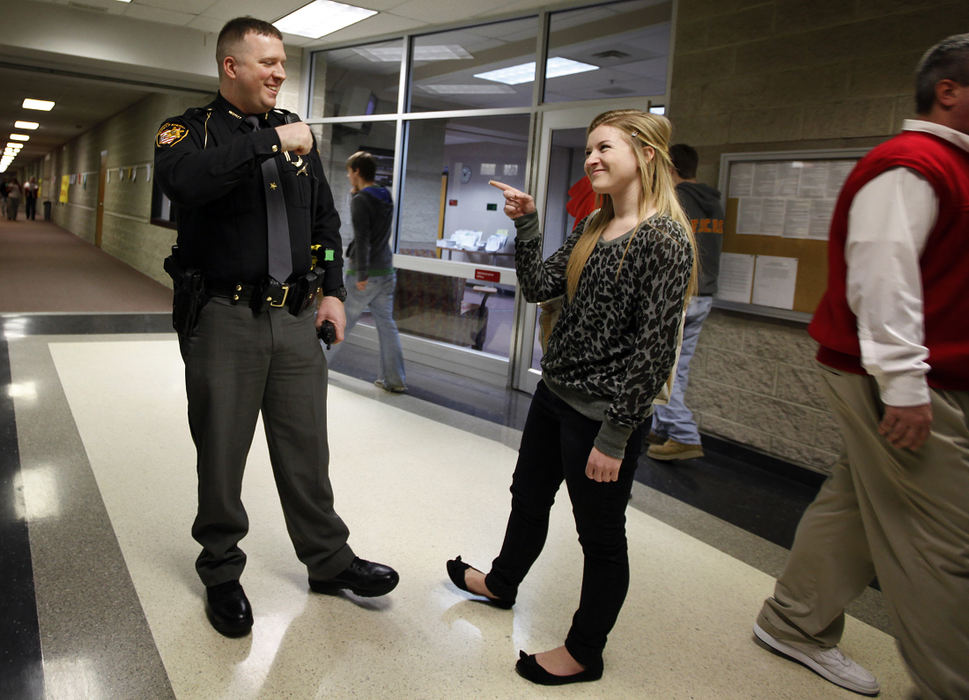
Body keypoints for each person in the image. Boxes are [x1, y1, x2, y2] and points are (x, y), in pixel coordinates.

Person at [154, 17, 398, 639]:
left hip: (293, 319)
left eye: (283, 63)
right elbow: (184, 182)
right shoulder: (188, 130)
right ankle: (220, 570)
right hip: (224, 318)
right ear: (231, 66)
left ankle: (328, 561)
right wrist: (268, 143)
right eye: (267, 62)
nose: (279, 73)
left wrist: (334, 292)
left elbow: (323, 223)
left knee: (305, 448)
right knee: (222, 451)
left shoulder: (298, 139)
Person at [753, 33, 969, 699]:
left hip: (913, 376)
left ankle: (792, 621)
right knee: (941, 542)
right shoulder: (910, 163)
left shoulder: (947, 166)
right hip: (901, 382)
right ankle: (948, 685)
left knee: (856, 504)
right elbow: (882, 279)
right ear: (948, 91)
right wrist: (903, 386)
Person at [447, 109, 696, 685]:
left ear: (647, 155)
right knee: (527, 499)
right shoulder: (595, 226)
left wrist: (615, 436)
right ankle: (503, 583)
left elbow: (654, 352)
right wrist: (529, 224)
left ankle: (585, 652)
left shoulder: (664, 238)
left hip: (603, 418)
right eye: (589, 149)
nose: (592, 159)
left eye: (605, 148)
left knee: (600, 539)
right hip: (553, 396)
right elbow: (538, 287)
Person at [647, 144, 724, 461]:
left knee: (659, 368)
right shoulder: (713, 202)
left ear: (670, 167)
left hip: (680, 296)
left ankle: (683, 435)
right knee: (679, 369)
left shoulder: (675, 201)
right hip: (704, 295)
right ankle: (662, 426)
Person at [324, 151, 406, 393]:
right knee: (387, 325)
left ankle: (315, 367)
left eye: (349, 172)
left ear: (357, 171)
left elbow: (362, 238)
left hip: (365, 273)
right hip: (386, 271)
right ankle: (395, 380)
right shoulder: (385, 194)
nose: (349, 176)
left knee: (341, 320)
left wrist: (361, 275)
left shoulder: (361, 200)